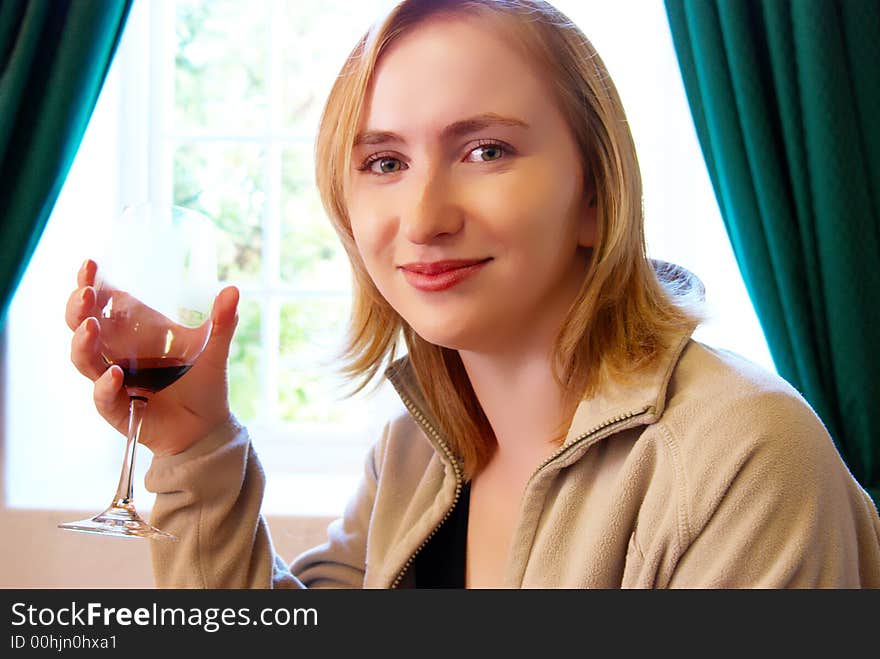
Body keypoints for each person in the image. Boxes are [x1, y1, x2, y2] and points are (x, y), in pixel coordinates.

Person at [66, 0, 880, 588]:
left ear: (596, 196)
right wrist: (197, 447)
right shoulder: (412, 450)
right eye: (384, 162)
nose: (423, 217)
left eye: (487, 150)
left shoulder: (749, 458)